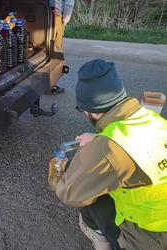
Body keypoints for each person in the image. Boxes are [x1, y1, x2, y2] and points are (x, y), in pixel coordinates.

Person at [56, 59, 167, 250]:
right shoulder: (153, 120)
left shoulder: (109, 147)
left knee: (86, 187)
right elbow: (132, 142)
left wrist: (92, 152)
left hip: (152, 240)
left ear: (94, 113)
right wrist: (98, 138)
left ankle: (102, 239)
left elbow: (68, 194)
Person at [50, 0, 75, 95]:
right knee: (55, 50)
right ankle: (51, 84)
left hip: (37, 12)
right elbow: (69, 3)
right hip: (55, 16)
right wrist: (65, 19)